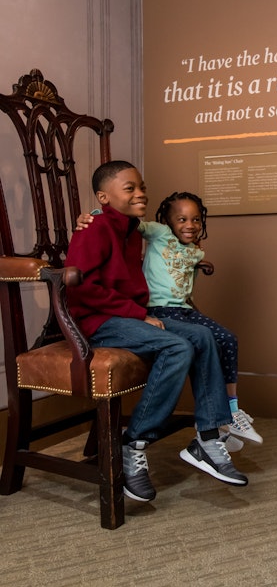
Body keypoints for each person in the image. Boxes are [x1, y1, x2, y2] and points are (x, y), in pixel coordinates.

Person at [65, 160, 248, 503]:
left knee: (203, 336)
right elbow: (80, 289)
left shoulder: (134, 231)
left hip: (128, 318)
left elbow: (163, 252)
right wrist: (138, 314)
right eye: (130, 188)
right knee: (178, 347)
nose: (140, 193)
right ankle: (133, 443)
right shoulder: (94, 228)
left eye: (142, 187)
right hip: (97, 322)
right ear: (104, 197)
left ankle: (207, 438)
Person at [79, 191, 264, 449]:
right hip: (159, 309)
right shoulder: (159, 233)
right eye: (182, 219)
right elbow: (130, 224)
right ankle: (209, 424)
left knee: (225, 338)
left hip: (183, 309)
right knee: (195, 341)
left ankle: (222, 418)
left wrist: (197, 262)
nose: (190, 225)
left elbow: (181, 277)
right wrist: (93, 215)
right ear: (168, 222)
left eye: (196, 220)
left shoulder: (195, 251)